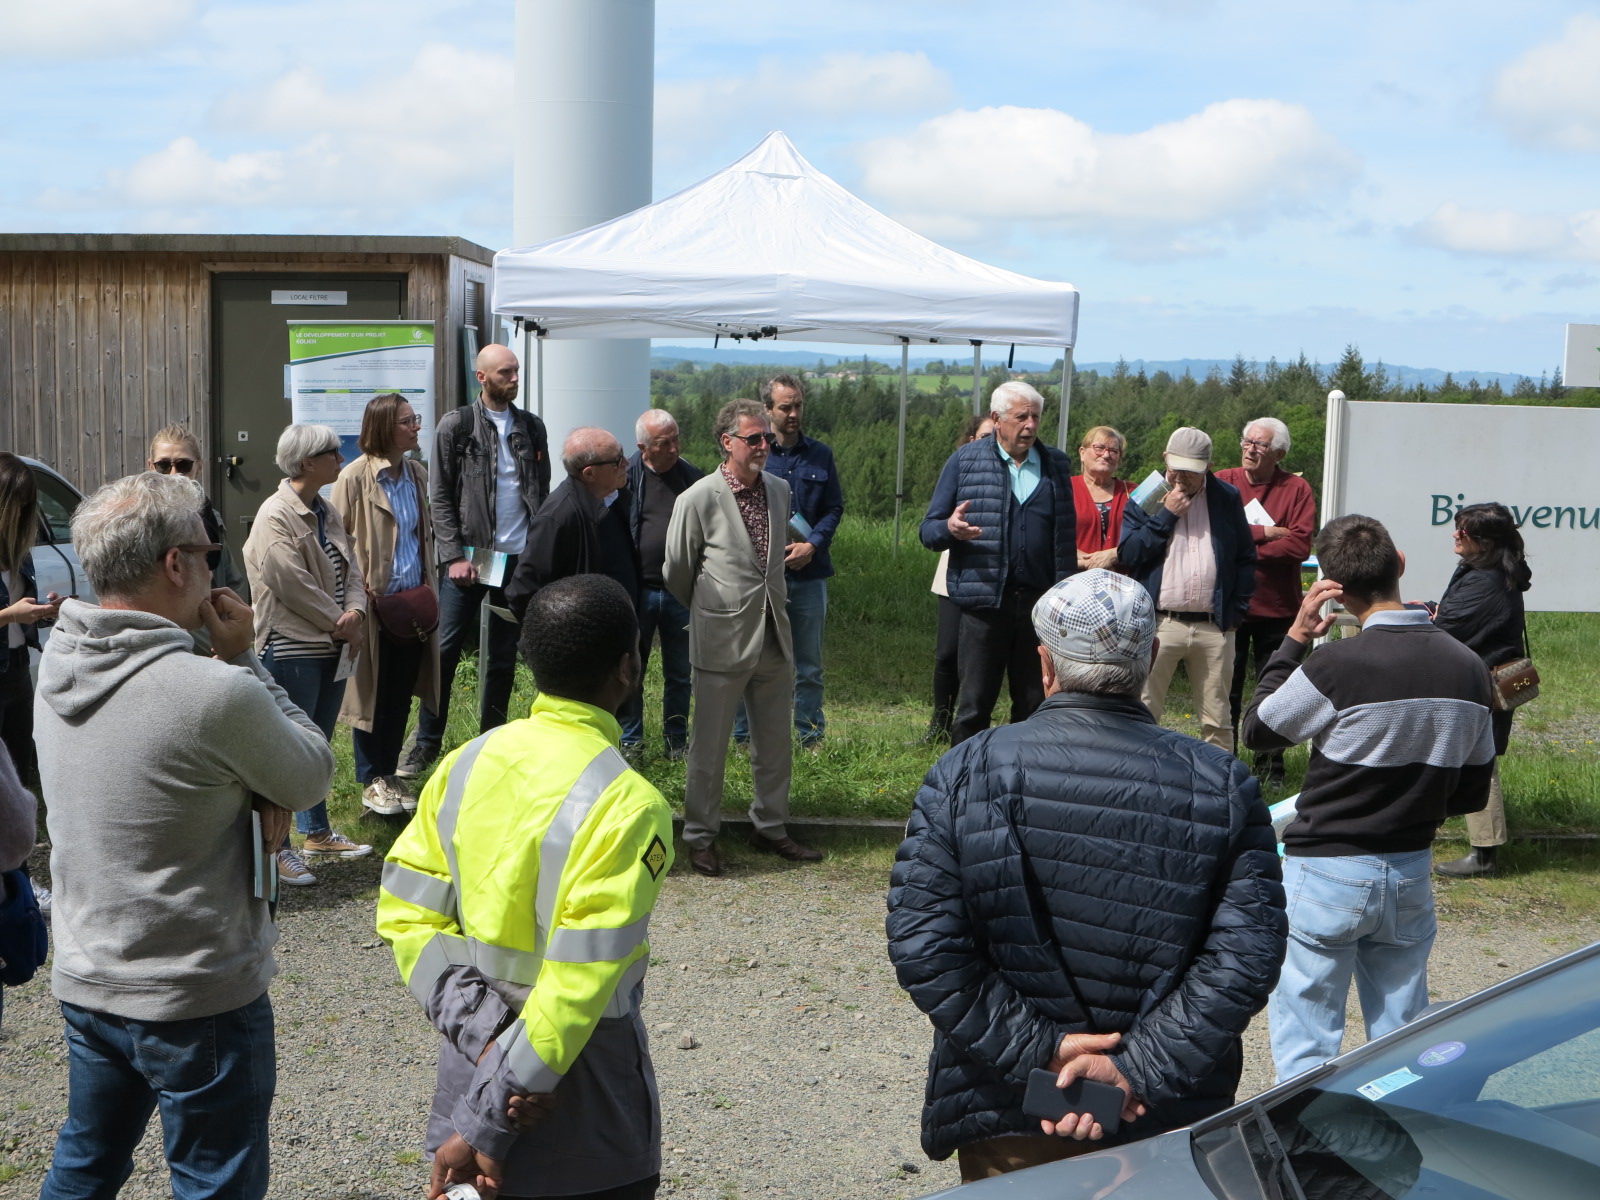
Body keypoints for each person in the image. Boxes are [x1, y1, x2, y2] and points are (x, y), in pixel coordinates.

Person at [887, 569, 1286, 1181]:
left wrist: (1043, 1050)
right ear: (1151, 657)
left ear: (1045, 663)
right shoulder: (1222, 783)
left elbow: (925, 943)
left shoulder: (966, 770)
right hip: (1161, 1115)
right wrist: (1136, 1068)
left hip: (1009, 1106)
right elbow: (1246, 954)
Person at [33, 470, 334, 1200]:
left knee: (87, 1161)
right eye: (207, 552)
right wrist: (245, 658)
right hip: (195, 990)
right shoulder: (215, 691)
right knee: (214, 1181)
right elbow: (310, 775)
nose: (213, 567)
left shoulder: (60, 661)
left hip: (90, 970)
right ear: (175, 564)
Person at [377, 574, 673, 1200]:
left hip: (469, 1063)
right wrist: (495, 1111)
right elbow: (577, 982)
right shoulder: (629, 803)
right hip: (577, 1097)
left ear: (530, 662)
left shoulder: (463, 764)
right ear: (629, 667)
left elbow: (407, 914)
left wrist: (484, 1040)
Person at [1242, 514, 1496, 1083]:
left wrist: (1296, 638)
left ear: (1331, 588)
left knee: (1308, 1044)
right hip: (1409, 870)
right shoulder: (1469, 668)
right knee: (1404, 1040)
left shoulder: (1335, 665)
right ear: (1399, 563)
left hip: (1325, 872)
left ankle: (1306, 1134)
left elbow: (1259, 730)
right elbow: (1471, 793)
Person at [664, 399, 821, 877]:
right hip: (721, 638)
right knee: (709, 748)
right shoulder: (697, 497)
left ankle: (770, 827)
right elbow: (677, 570)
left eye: (766, 438)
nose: (763, 446)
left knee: (774, 744)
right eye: (753, 438)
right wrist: (713, 610)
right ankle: (700, 837)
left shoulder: (779, 489)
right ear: (726, 442)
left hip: (773, 634)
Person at [401, 344, 550, 780]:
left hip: (517, 559)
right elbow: (440, 495)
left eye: (516, 371)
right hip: (471, 558)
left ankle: (492, 740)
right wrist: (452, 555)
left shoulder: (531, 427)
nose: (515, 379)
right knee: (444, 652)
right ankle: (425, 743)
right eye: (505, 372)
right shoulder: (457, 425)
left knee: (503, 656)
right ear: (482, 377)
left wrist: (538, 551)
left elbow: (540, 491)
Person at [243, 423, 373, 887]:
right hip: (292, 647)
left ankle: (316, 832)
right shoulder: (274, 514)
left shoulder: (324, 508)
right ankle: (278, 849)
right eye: (333, 452)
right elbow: (289, 583)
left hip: (334, 644)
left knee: (316, 744)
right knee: (286, 749)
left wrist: (356, 611)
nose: (342, 458)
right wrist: (341, 620)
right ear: (306, 462)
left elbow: (352, 567)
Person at [920, 382, 1079, 745]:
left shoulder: (1056, 464)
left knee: (1034, 704)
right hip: (984, 606)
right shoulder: (965, 461)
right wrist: (949, 529)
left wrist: (1064, 599)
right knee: (974, 706)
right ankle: (965, 772)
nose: (1031, 425)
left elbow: (1064, 540)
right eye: (1021, 417)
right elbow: (928, 530)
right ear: (997, 419)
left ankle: (1025, 772)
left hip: (1038, 608)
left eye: (1036, 417)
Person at [331, 393, 441, 818]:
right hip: (373, 607)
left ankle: (389, 772)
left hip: (411, 607)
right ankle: (371, 779)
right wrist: (351, 600)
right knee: (369, 695)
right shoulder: (355, 478)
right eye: (407, 421)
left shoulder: (416, 473)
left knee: (399, 693)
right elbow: (336, 542)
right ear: (383, 428)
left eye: (415, 419)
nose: (416, 427)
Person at [1119, 427, 1256, 750]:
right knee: (1144, 711)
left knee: (1217, 719)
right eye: (1175, 468)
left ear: (1209, 467)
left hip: (1215, 626)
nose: (1180, 478)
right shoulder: (1150, 493)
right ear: (1165, 458)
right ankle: (1140, 773)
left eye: (1191, 472)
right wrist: (1166, 515)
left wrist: (1235, 612)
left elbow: (1245, 557)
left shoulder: (1226, 497)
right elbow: (1129, 554)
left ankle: (1221, 778)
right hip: (1159, 623)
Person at [734, 374, 844, 748]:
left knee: (808, 664)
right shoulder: (755, 454)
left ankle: (809, 737)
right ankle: (746, 737)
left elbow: (834, 507)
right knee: (751, 659)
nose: (794, 413)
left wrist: (812, 545)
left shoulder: (820, 455)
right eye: (785, 407)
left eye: (798, 405)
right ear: (768, 409)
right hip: (762, 576)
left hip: (809, 574)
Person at [1432, 502, 1532, 878]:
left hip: (1481, 686)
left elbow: (1446, 628)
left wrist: (1431, 617)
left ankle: (1484, 855)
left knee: (1480, 764)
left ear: (1485, 542)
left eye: (1463, 531)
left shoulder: (1485, 581)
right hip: (1480, 681)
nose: (1455, 535)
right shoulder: (1490, 571)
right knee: (1470, 760)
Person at [1215, 417, 1317, 784]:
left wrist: (1240, 545)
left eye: (1260, 445)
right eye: (1247, 441)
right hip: (1231, 607)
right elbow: (1216, 535)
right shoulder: (1223, 481)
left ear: (1279, 454)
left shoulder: (1296, 488)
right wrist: (1265, 533)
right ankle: (1223, 764)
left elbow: (1299, 546)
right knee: (1226, 691)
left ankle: (1270, 770)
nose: (1250, 449)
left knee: (1275, 693)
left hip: (1278, 609)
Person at [620, 409, 704, 758]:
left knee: (680, 673)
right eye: (663, 443)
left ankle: (676, 742)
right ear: (643, 447)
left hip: (679, 592)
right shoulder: (625, 477)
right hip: (637, 591)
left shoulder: (692, 479)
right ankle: (631, 742)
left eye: (676, 439)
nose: (673, 448)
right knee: (631, 670)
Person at [505, 427, 639, 624]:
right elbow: (522, 592)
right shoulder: (558, 516)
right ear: (590, 473)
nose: (627, 463)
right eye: (617, 460)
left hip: (616, 630)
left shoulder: (618, 499)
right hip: (581, 636)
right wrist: (563, 632)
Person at [923, 415, 993, 743]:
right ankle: (940, 724)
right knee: (947, 653)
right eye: (983, 436)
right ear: (969, 440)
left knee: (979, 657)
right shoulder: (960, 469)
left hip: (990, 574)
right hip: (954, 570)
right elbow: (933, 522)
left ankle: (971, 727)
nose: (990, 442)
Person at [0, 452, 60, 783]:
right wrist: (12, 614)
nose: (24, 513)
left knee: (19, 772)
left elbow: (18, 609)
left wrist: (44, 611)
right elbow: (11, 612)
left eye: (28, 504)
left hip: (18, 667)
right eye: (18, 504)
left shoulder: (19, 551)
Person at [1071, 425, 1130, 571]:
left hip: (1121, 581)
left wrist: (1114, 555)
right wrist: (1090, 562)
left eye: (1113, 451)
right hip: (1073, 579)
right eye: (1099, 448)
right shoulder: (1063, 489)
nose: (1106, 455)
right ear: (1082, 453)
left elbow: (1148, 537)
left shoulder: (1133, 492)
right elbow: (1048, 537)